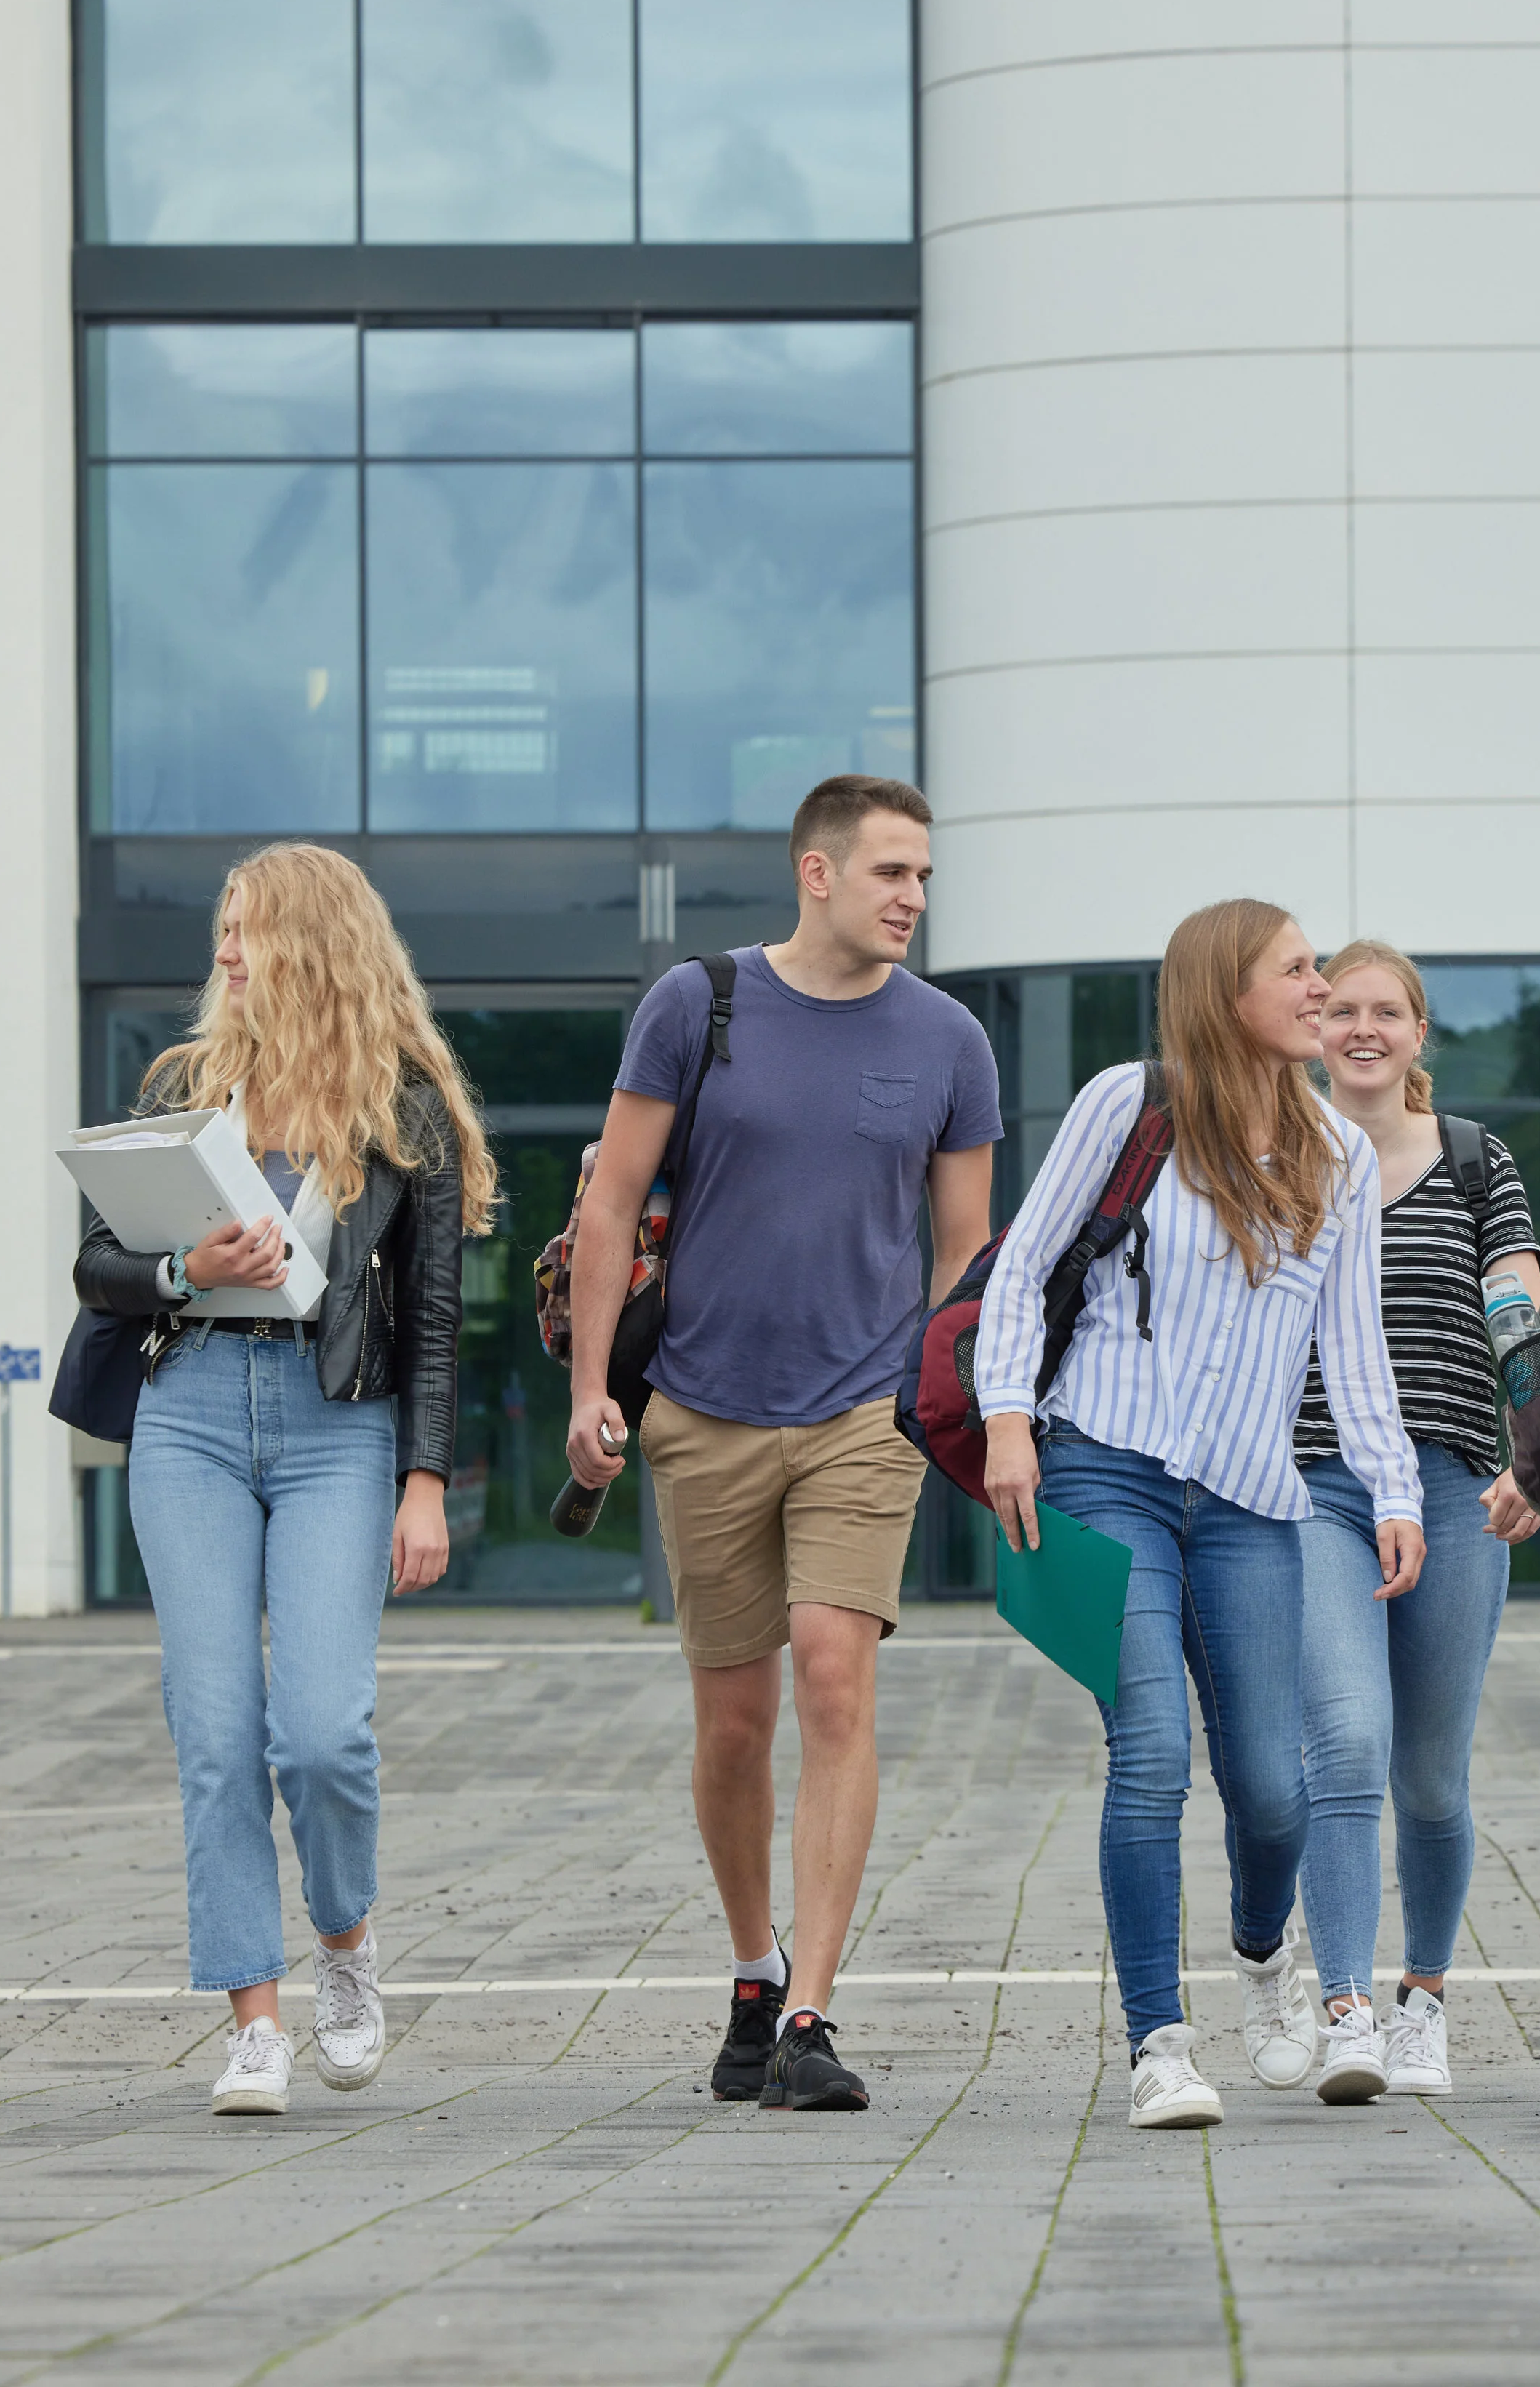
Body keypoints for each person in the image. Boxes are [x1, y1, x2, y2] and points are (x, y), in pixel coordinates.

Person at [561, 776, 1000, 2113]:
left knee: (833, 1677)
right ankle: (752, 1966)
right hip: (700, 1408)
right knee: (735, 1721)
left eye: (923, 876)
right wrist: (591, 1388)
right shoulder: (701, 1005)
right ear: (818, 875)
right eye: (890, 874)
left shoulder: (950, 1040)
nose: (912, 898)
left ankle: (810, 2009)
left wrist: (946, 1395)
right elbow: (612, 1198)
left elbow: (966, 1250)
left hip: (864, 1412)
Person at [977, 901, 1426, 2130]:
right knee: (1153, 1756)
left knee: (1271, 1792)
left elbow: (1357, 1347)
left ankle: (1262, 1954)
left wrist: (1392, 1488)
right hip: (1105, 1470)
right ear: (1227, 990)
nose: (1322, 985)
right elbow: (1022, 1266)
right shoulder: (1128, 1105)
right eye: (1295, 968)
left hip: (1249, 1501)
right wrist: (1008, 1415)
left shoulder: (1338, 1154)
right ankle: (1158, 2045)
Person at [76, 843, 487, 2117]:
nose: (227, 952)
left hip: (336, 1422)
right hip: (190, 1407)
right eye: (224, 929)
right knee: (212, 1734)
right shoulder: (181, 1085)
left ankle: (347, 1942)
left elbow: (429, 1317)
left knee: (321, 1733)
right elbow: (100, 1265)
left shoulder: (403, 1104)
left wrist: (428, 1482)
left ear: (313, 941)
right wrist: (188, 1268)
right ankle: (253, 2019)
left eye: (249, 930)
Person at [1289, 941, 1540, 2098]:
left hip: (1450, 1485)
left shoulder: (1477, 1161)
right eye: (1339, 1008)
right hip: (1308, 1489)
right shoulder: (1271, 1157)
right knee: (1343, 1738)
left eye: (1385, 1012)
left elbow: (1519, 1309)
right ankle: (1344, 2004)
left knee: (1432, 1777)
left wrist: (1537, 1448)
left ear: (1419, 1034)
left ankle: (1422, 2004)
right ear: (1311, 1024)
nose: (1361, 1028)